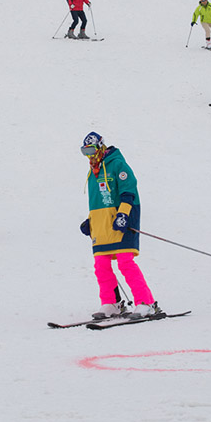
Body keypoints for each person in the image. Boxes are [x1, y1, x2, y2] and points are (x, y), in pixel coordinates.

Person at [79, 132, 159, 319]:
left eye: (91, 150)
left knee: (125, 261)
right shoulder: (93, 170)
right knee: (101, 264)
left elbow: (128, 190)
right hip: (102, 225)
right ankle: (111, 303)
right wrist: (91, 221)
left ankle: (146, 302)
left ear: (100, 147)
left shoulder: (117, 165)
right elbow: (99, 200)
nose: (89, 155)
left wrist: (123, 214)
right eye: (85, 152)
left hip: (121, 222)